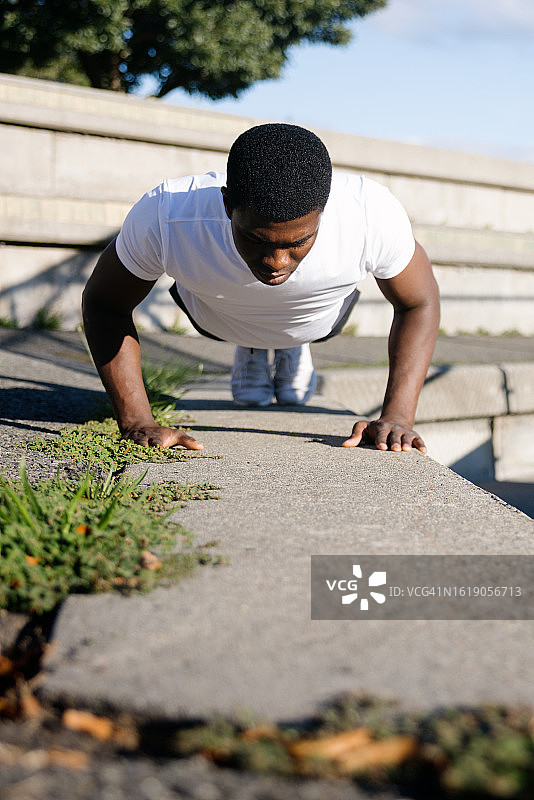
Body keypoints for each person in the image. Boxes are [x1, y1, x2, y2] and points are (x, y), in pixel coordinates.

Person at [82, 123, 440, 454]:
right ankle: (254, 346)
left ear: (324, 211)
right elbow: (104, 303)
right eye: (256, 239)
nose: (275, 262)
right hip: (220, 317)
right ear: (226, 204)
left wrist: (398, 416)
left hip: (315, 320)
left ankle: (290, 344)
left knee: (290, 358)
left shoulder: (370, 213)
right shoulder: (166, 213)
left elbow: (419, 302)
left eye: (298, 242)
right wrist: (137, 420)